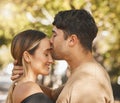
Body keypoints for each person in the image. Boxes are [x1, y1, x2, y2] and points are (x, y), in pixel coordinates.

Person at [11, 9, 114, 103]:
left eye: (55, 35)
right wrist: (27, 77)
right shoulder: (83, 74)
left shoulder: (88, 83)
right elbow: (52, 95)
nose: (51, 41)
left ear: (72, 40)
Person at [6, 30, 54, 103]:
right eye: (46, 54)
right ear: (27, 57)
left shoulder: (22, 86)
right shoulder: (30, 89)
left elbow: (53, 93)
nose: (51, 60)